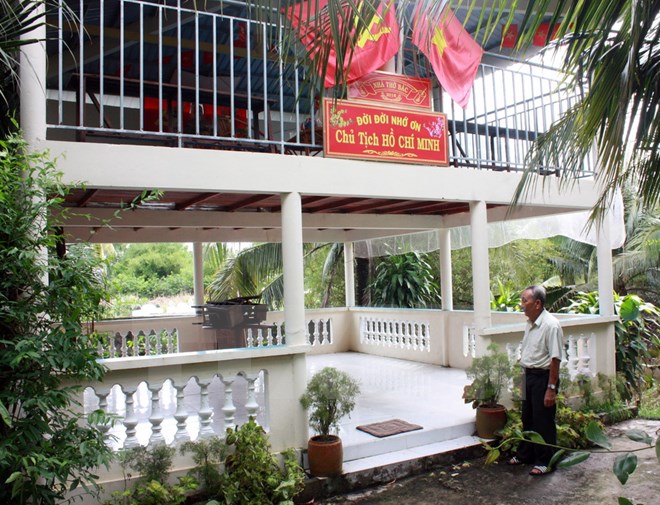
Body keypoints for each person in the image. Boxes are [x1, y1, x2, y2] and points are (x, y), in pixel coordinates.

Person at [508, 285, 564, 476]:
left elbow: (555, 359)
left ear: (537, 303)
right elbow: (528, 352)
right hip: (528, 375)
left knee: (543, 421)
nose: (521, 304)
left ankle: (545, 461)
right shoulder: (530, 323)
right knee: (527, 417)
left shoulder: (551, 325)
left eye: (525, 300)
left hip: (543, 377)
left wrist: (551, 388)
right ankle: (526, 455)